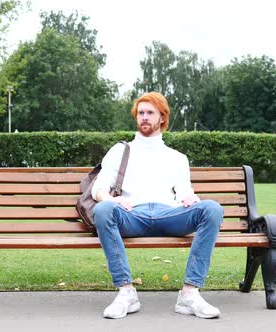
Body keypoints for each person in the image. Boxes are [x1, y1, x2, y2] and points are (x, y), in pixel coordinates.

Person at [91, 92, 224, 319]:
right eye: (140, 113)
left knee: (212, 208)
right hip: (132, 215)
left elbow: (184, 191)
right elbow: (98, 189)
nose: (144, 117)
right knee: (102, 209)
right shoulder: (120, 151)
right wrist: (113, 200)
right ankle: (126, 292)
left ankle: (189, 294)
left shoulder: (176, 157)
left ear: (162, 117)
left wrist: (190, 198)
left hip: (170, 215)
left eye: (150, 113)